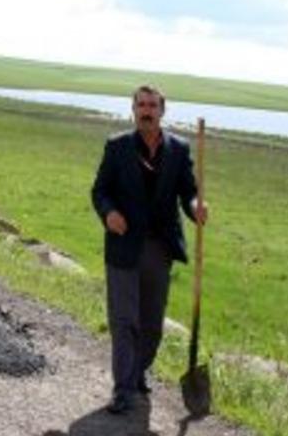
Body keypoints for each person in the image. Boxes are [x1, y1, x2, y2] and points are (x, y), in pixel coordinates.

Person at [91, 84, 208, 414]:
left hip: (160, 248)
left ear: (162, 110)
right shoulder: (117, 147)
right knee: (124, 319)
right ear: (133, 110)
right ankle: (123, 388)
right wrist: (109, 213)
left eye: (152, 105)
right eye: (141, 104)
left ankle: (138, 371)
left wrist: (198, 205)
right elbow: (100, 191)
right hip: (123, 245)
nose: (146, 110)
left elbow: (188, 192)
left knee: (152, 324)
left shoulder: (178, 149)